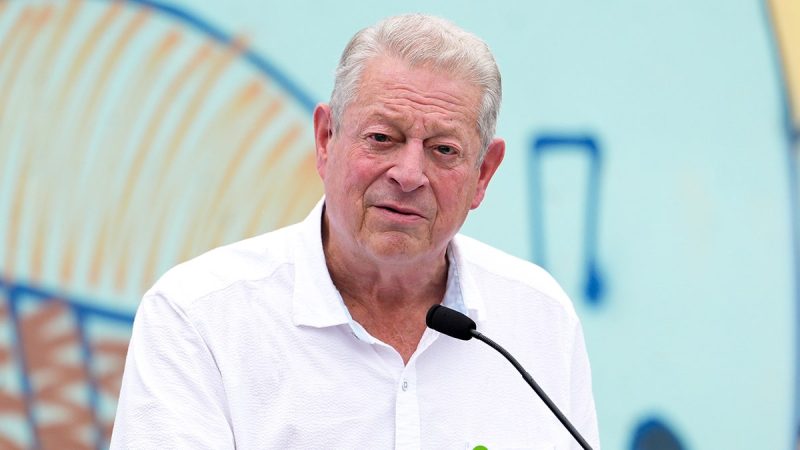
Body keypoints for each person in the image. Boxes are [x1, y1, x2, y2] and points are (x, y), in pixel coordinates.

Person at [111, 13, 599, 449]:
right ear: (326, 140)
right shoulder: (200, 317)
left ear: (483, 173)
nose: (409, 174)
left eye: (444, 150)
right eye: (382, 138)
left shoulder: (539, 317)